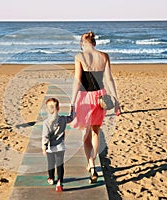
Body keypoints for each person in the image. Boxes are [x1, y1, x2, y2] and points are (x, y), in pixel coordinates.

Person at [70, 31, 120, 184]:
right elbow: (109, 79)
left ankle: (91, 164)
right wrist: (116, 99)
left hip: (85, 97)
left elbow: (78, 81)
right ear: (95, 43)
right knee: (95, 132)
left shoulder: (79, 57)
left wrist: (72, 102)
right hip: (100, 97)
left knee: (85, 133)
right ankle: (92, 161)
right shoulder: (104, 56)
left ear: (82, 43)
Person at [42, 98, 75, 192]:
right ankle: (60, 182)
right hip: (60, 146)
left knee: (51, 163)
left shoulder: (46, 123)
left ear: (47, 110)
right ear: (58, 108)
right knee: (60, 165)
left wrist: (44, 147)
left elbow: (45, 136)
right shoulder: (63, 119)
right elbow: (72, 118)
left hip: (50, 148)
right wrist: (73, 109)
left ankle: (51, 178)